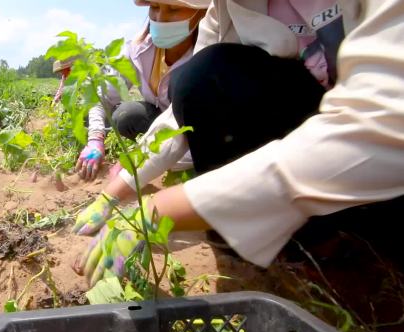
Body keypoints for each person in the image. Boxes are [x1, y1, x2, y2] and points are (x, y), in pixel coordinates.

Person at [75, 0, 404, 285]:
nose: (160, 16)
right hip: (313, 128)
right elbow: (183, 110)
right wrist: (116, 191)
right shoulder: (227, 9)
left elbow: (384, 121)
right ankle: (299, 242)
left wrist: (173, 209)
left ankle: (343, 237)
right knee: (204, 76)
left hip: (377, 153)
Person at [75, 0, 209, 181]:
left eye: (174, 9)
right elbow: (103, 97)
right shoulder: (139, 48)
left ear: (201, 13)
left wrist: (142, 158)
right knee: (126, 115)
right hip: (163, 120)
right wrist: (96, 139)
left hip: (199, 131)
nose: (160, 18)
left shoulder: (208, 54)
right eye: (154, 7)